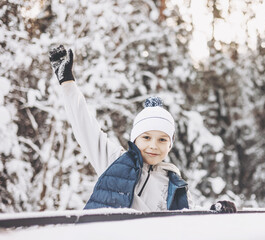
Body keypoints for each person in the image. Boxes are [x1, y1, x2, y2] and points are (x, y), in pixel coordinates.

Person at [49, 45, 237, 213]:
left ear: (170, 145)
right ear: (135, 139)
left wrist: (213, 213)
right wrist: (67, 83)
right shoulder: (115, 161)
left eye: (162, 139)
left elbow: (187, 221)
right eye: (146, 137)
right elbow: (85, 127)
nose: (153, 146)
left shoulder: (174, 183)